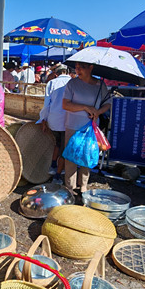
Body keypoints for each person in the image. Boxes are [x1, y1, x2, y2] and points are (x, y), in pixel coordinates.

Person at [62, 60, 110, 193]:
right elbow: (65, 105)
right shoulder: (72, 83)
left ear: (90, 67)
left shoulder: (100, 85)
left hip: (91, 127)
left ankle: (83, 186)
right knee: (71, 157)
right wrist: (85, 107)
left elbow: (108, 103)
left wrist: (97, 112)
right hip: (73, 125)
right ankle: (69, 187)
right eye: (76, 68)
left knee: (87, 155)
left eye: (81, 68)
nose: (78, 71)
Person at [38, 63, 71, 180]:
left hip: (53, 119)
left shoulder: (51, 83)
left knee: (58, 143)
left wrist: (43, 119)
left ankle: (53, 164)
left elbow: (46, 105)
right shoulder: (72, 83)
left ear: (56, 73)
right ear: (67, 72)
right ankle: (57, 175)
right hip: (68, 120)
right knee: (63, 148)